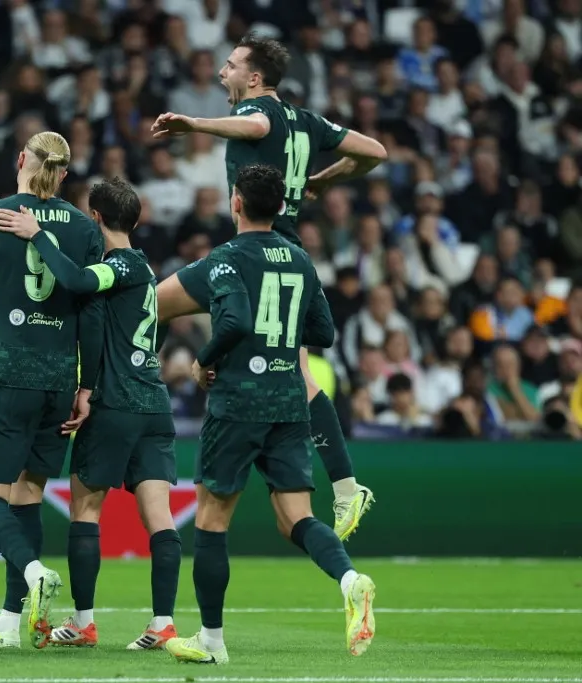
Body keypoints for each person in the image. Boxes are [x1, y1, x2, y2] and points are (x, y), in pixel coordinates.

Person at [150, 34, 388, 541]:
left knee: (152, 304)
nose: (221, 73)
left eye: (231, 66)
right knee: (299, 374)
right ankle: (346, 487)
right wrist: (324, 180)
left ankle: (131, 393)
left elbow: (255, 123)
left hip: (254, 251)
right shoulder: (307, 120)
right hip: (291, 254)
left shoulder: (261, 113)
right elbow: (374, 152)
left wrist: (193, 124)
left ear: (255, 78)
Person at [163, 165, 376, 665]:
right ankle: (350, 579)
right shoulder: (301, 260)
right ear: (280, 207)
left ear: (236, 202)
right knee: (295, 518)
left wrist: (203, 359)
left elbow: (216, 317)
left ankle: (211, 642)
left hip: (237, 401)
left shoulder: (225, 259)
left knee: (212, 522)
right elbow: (321, 331)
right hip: (287, 401)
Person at [0, 177, 181, 650]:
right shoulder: (147, 268)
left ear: (95, 218)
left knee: (85, 509)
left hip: (117, 404)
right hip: (155, 404)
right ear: (135, 219)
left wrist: (37, 233)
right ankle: (162, 623)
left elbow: (77, 280)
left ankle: (83, 622)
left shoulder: (119, 265)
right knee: (159, 517)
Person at [0, 131, 105, 650]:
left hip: (6, 372)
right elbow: (91, 310)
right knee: (28, 495)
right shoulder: (83, 228)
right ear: (63, 173)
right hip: (60, 378)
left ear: (21, 160)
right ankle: (12, 623)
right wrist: (87, 385)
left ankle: (35, 571)